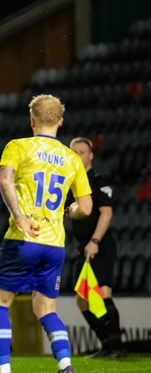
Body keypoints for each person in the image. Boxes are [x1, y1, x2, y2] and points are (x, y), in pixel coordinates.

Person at [0, 95, 93, 373]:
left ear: (32, 120)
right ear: (60, 121)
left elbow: (4, 181)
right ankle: (65, 365)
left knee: (0, 303)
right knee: (45, 308)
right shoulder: (72, 158)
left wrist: (20, 217)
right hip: (54, 245)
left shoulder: (19, 146)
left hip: (23, 238)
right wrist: (71, 213)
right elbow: (86, 207)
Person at [67, 137, 126, 358]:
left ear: (91, 155)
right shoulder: (71, 184)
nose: (78, 155)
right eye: (74, 152)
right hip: (83, 246)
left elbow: (106, 213)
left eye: (82, 152)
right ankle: (106, 344)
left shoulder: (98, 181)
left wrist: (95, 241)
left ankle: (117, 347)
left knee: (103, 293)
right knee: (82, 300)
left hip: (100, 245)